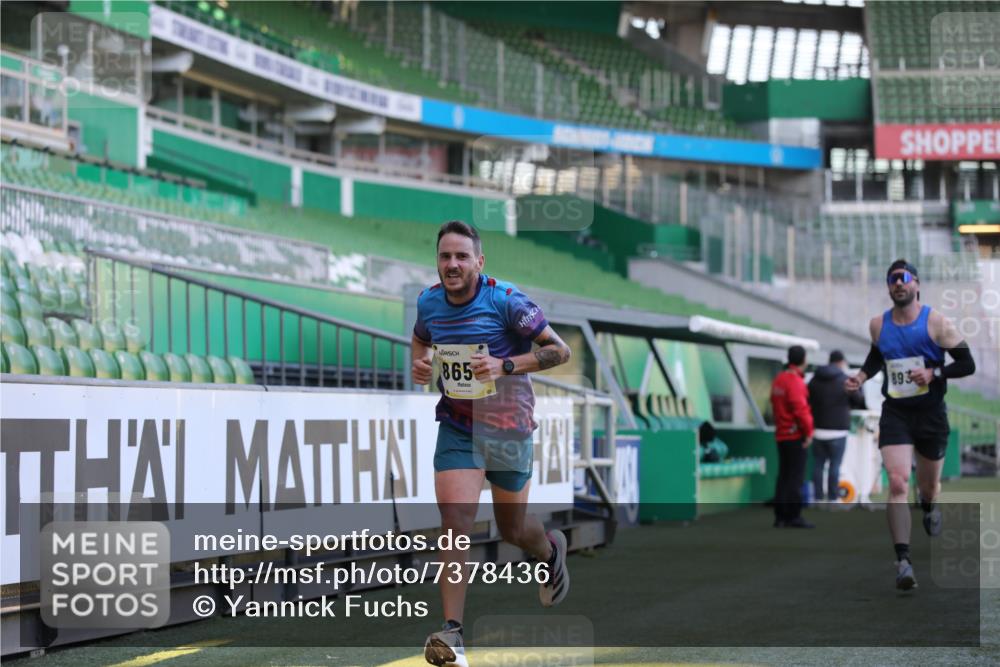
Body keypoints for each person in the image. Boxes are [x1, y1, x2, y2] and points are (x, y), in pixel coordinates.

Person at [412, 221, 573, 667]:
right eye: (445, 256)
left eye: (462, 256)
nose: (452, 264)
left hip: (508, 427)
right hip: (458, 425)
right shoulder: (429, 301)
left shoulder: (506, 300)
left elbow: (560, 351)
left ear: (479, 263)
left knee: (513, 530)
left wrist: (505, 365)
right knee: (455, 519)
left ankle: (549, 550)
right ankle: (453, 633)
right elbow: (422, 338)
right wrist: (421, 364)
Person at [845, 259, 975, 590]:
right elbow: (878, 355)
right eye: (892, 280)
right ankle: (903, 561)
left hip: (931, 414)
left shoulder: (937, 323)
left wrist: (935, 373)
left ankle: (930, 505)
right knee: (899, 483)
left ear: (916, 284)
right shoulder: (878, 325)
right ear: (888, 288)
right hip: (897, 413)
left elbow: (967, 363)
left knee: (928, 488)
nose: (898, 284)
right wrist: (861, 376)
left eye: (903, 279)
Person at [808, 350, 865, 505]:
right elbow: (859, 399)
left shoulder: (814, 379)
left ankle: (818, 498)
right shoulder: (845, 379)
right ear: (841, 362)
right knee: (835, 465)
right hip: (838, 430)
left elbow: (807, 400)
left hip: (817, 429)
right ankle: (833, 499)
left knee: (818, 464)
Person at [770, 345, 815, 528]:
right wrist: (808, 432)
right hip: (794, 435)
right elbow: (801, 411)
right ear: (804, 360)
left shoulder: (779, 380)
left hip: (781, 434)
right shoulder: (795, 382)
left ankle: (780, 516)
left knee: (784, 476)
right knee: (795, 477)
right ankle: (793, 516)